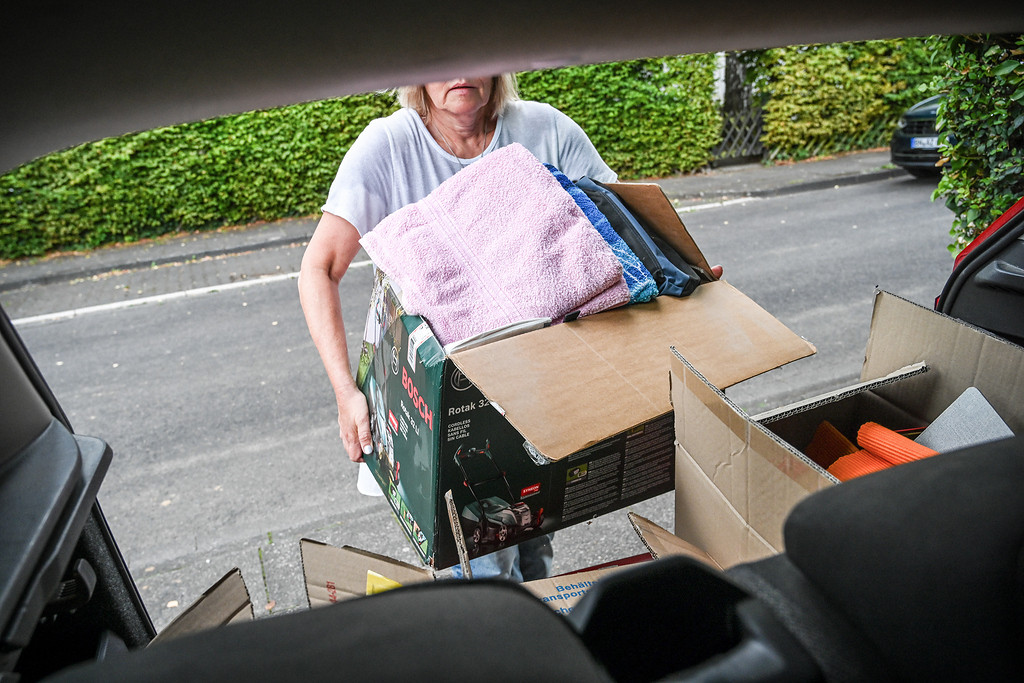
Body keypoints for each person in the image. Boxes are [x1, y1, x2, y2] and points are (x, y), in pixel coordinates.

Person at [298, 74, 618, 581]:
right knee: (487, 578)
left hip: (541, 398)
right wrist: (345, 391)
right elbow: (318, 269)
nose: (461, 71)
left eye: (476, 52)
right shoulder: (388, 147)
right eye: (443, 57)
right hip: (447, 413)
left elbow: (622, 221)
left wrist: (678, 269)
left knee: (537, 553)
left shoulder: (545, 130)